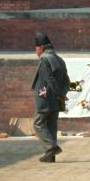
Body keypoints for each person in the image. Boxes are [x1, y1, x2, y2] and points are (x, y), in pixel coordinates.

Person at [31, 32, 70, 163]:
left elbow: (49, 79)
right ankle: (50, 156)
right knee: (51, 126)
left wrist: (58, 94)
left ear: (41, 47)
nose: (36, 51)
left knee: (38, 124)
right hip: (56, 101)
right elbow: (67, 80)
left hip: (45, 99)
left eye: (36, 48)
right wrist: (62, 95)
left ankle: (51, 147)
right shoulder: (60, 59)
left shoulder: (44, 59)